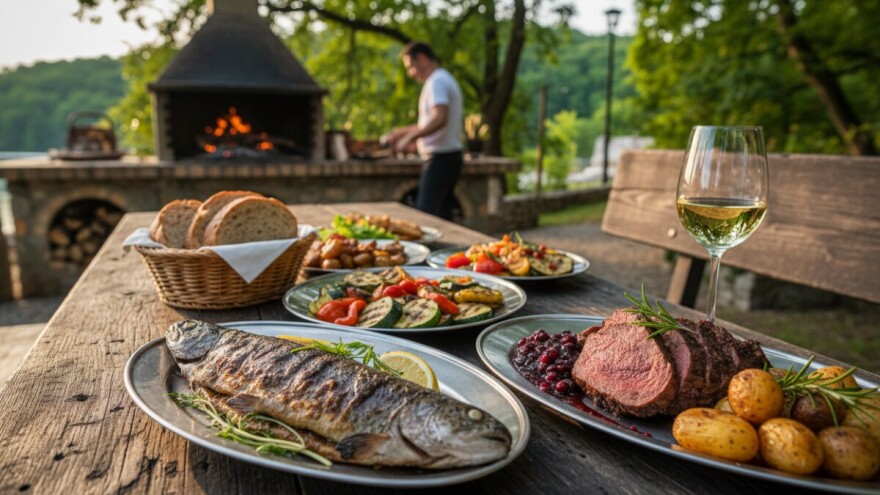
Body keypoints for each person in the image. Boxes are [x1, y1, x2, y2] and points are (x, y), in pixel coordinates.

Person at [384, 42, 464, 220]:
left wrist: (409, 138)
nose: (410, 73)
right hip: (447, 157)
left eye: (411, 66)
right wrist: (402, 133)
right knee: (443, 216)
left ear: (422, 58)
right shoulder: (441, 79)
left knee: (426, 216)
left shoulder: (437, 81)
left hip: (441, 159)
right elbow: (428, 122)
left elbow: (439, 118)